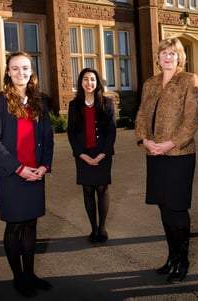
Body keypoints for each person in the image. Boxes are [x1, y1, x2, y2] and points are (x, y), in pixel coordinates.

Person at [0, 51, 54, 297]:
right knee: (14, 226)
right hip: (12, 173)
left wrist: (44, 166)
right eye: (15, 68)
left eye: (25, 68)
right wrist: (18, 168)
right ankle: (18, 277)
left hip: (35, 172)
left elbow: (47, 137)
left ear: (31, 72)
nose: (20, 73)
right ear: (7, 72)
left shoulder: (40, 101)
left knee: (32, 224)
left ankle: (31, 274)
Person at [135, 37, 198, 283]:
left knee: (177, 209)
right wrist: (144, 140)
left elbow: (191, 119)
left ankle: (183, 260)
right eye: (164, 53)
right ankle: (171, 257)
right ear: (158, 57)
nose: (167, 57)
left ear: (180, 57)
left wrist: (170, 143)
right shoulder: (150, 83)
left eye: (172, 53)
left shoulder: (188, 80)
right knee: (164, 208)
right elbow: (141, 114)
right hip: (154, 154)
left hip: (179, 155)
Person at [67, 68, 116, 243]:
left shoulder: (107, 103)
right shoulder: (74, 105)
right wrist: (80, 154)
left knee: (102, 189)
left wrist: (104, 153)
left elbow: (111, 131)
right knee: (87, 189)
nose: (89, 83)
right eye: (86, 79)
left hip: (102, 153)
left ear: (97, 83)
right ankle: (93, 228)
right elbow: (71, 133)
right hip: (83, 155)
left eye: (93, 80)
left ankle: (102, 229)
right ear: (81, 83)